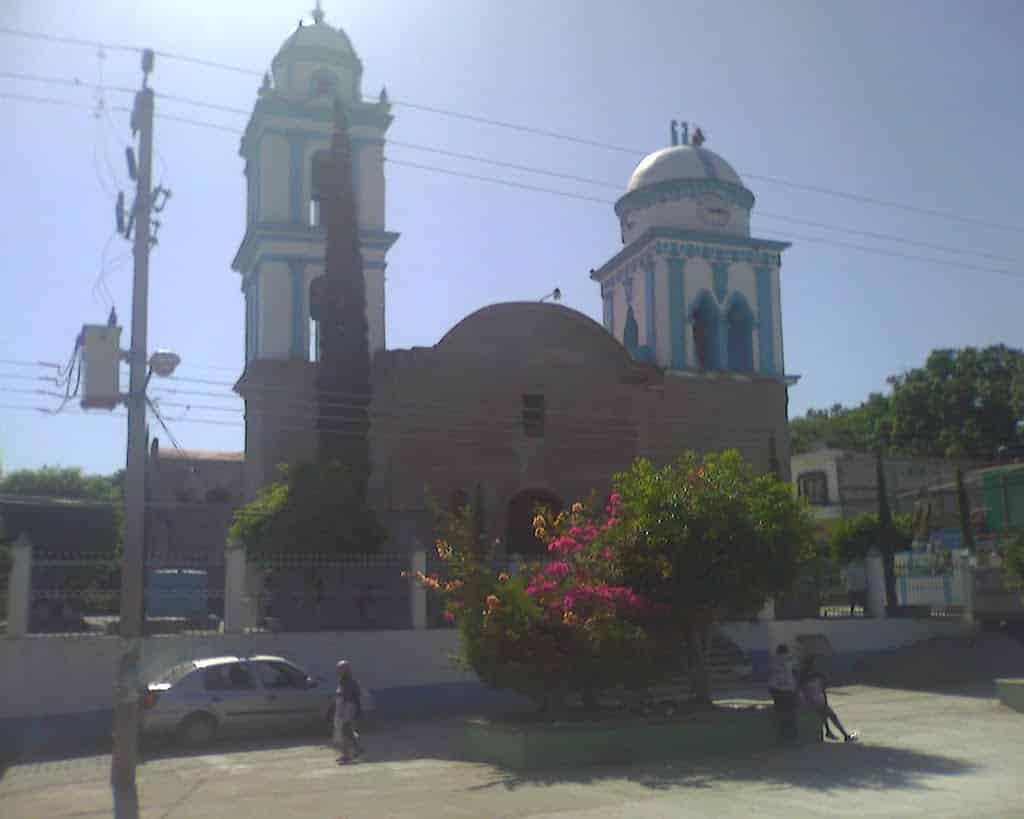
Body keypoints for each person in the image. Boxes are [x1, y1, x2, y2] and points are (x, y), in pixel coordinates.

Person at [799, 656, 858, 743]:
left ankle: (829, 732)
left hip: (815, 701)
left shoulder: (807, 676)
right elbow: (822, 688)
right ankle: (845, 735)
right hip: (816, 701)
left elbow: (821, 688)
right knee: (831, 716)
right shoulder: (814, 675)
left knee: (825, 715)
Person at [768, 643, 799, 744]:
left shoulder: (773, 660)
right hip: (788, 689)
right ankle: (791, 736)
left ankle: (782, 735)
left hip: (776, 689)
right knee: (790, 713)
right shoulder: (791, 659)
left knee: (780, 712)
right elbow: (796, 672)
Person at [334, 659, 363, 764]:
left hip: (350, 707)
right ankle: (350, 752)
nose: (338, 671)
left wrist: (352, 710)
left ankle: (353, 751)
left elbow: (354, 697)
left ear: (346, 670)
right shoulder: (343, 681)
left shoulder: (350, 682)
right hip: (345, 707)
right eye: (338, 669)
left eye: (340, 669)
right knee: (346, 731)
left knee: (346, 730)